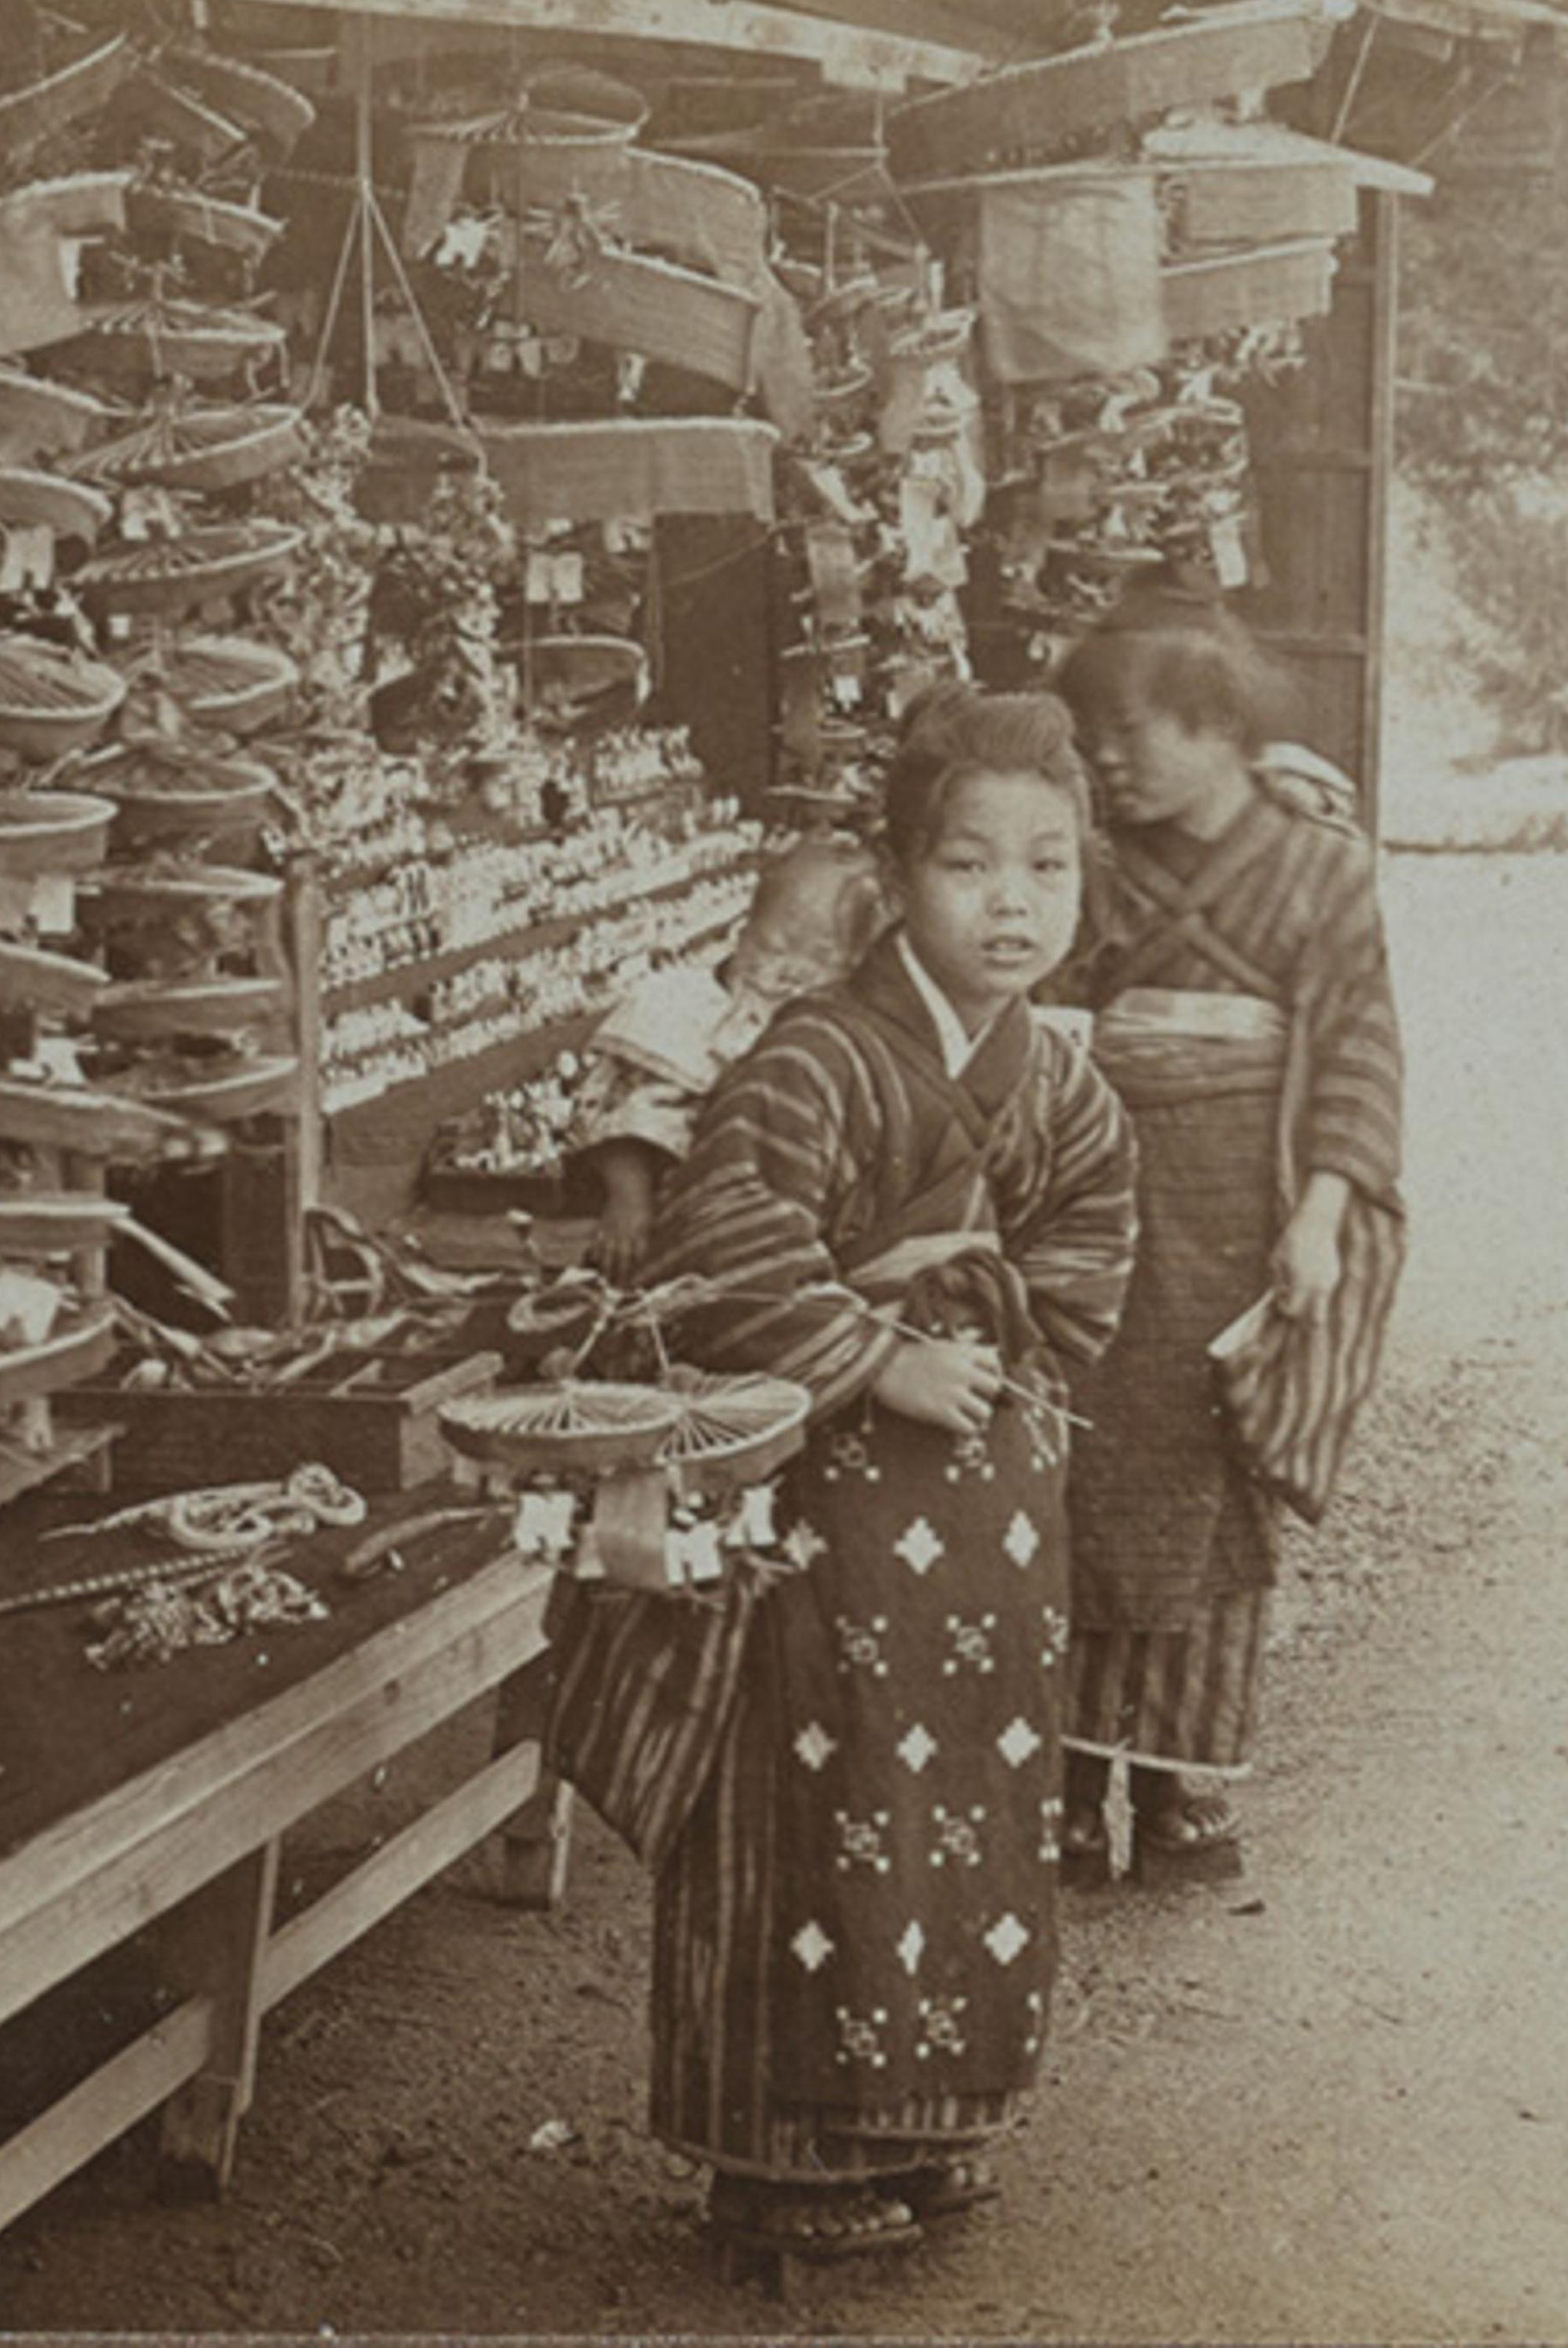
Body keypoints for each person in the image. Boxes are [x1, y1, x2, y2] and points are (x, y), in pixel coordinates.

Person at [626, 688, 1138, 2265]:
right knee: (819, 1796)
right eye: (972, 863)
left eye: (1048, 867)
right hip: (822, 1492)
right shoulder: (819, 1053)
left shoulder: (1057, 1079)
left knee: (974, 1802)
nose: (1012, 900)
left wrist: (997, 1346)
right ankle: (775, 2158)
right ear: (900, 875)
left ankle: (936, 2122)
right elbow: (725, 1237)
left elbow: (1091, 1260)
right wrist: (879, 1350)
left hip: (987, 1501)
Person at [1049, 590, 1405, 1881]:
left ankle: (1187, 1786)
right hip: (1093, 1203)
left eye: (1131, 729)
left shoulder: (1321, 866)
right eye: (1091, 733)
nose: (1107, 757)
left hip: (1245, 1214)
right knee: (1081, 1476)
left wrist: (1322, 1216)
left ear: (1216, 726)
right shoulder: (1086, 863)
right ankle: (1074, 1783)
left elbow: (1360, 1047)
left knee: (1219, 1496)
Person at [558, 830, 887, 1272]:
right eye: (772, 945)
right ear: (745, 927)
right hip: (670, 1214)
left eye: (819, 957)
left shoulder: (835, 1024)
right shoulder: (681, 1005)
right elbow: (619, 1116)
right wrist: (628, 1201)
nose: (785, 971)